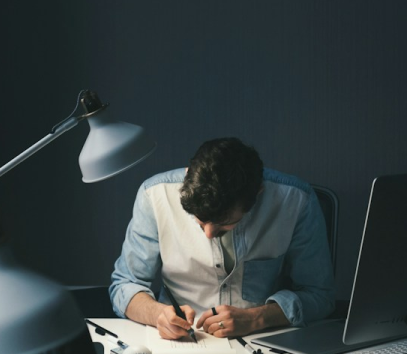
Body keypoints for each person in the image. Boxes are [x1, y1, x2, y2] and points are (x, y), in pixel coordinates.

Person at [109, 138, 334, 340]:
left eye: (224, 223)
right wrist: (157, 314)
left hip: (263, 342)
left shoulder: (296, 201)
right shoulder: (154, 195)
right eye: (200, 221)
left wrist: (257, 318)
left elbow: (320, 296)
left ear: (257, 194)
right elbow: (125, 286)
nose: (208, 233)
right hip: (179, 341)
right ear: (187, 177)